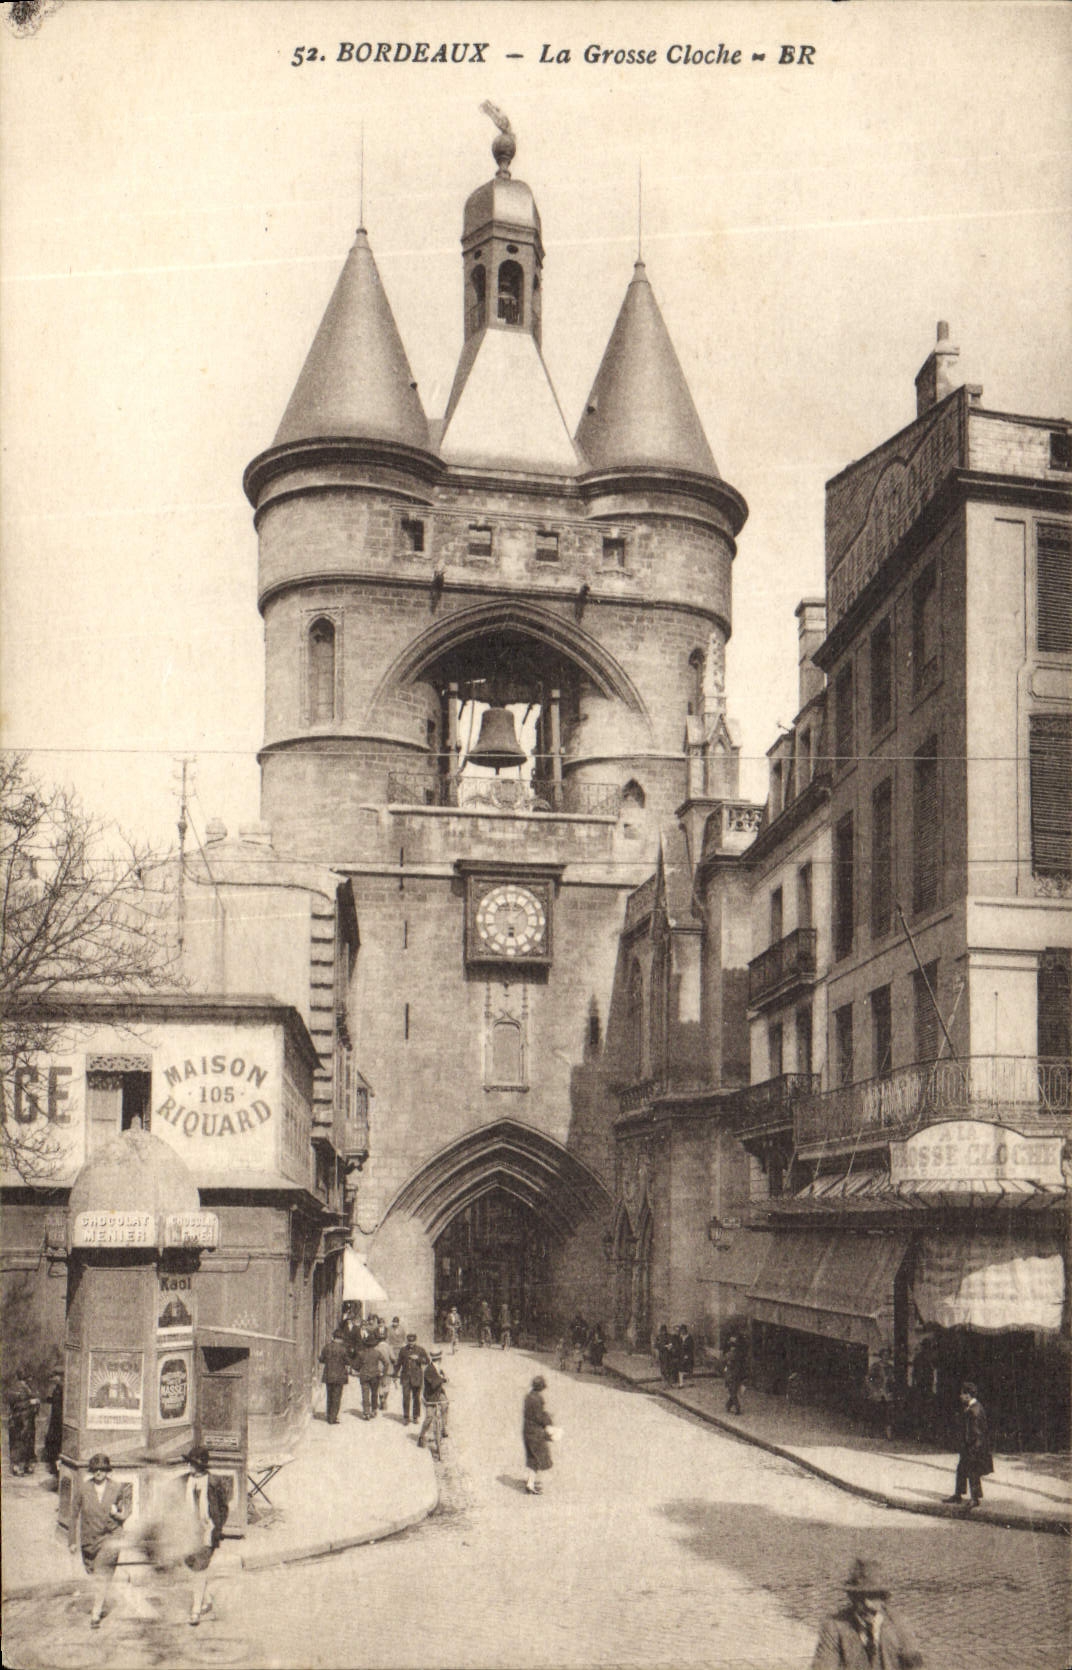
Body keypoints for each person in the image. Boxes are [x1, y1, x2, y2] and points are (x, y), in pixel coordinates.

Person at [811, 1556, 923, 1668]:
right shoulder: (834, 1626)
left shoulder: (900, 1625)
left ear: (883, 1598)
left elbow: (915, 1666)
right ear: (852, 1597)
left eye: (873, 1596)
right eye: (861, 1596)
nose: (867, 1604)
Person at [68, 1453, 132, 1628]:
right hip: (89, 1539)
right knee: (93, 1573)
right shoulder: (83, 1488)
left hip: (111, 1536)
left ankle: (96, 1613)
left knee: (102, 1574)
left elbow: (126, 1513)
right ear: (91, 1471)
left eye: (102, 1469)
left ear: (107, 1471)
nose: (99, 1472)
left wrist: (116, 1513)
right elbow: (73, 1514)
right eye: (95, 1469)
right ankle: (100, 1601)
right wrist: (72, 1540)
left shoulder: (117, 1488)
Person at [182, 1445, 230, 1627]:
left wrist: (216, 1527)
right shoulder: (184, 1481)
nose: (190, 1467)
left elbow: (224, 1507)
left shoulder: (213, 1482)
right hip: (188, 1532)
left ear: (201, 1466)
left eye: (193, 1464)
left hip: (207, 1533)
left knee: (199, 1570)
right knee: (191, 1565)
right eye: (189, 1463)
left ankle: (196, 1611)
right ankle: (207, 1599)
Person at [944, 1381, 993, 1509]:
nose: (960, 1396)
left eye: (962, 1393)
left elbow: (977, 1432)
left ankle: (975, 1499)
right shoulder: (972, 1407)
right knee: (961, 1469)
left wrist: (973, 1449)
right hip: (968, 1446)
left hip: (974, 1447)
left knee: (973, 1471)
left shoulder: (974, 1410)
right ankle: (958, 1494)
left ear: (968, 1395)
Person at [522, 1375, 554, 1496]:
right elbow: (539, 1416)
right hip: (535, 1432)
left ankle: (530, 1482)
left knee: (532, 1456)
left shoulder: (529, 1396)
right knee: (537, 1458)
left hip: (527, 1429)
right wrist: (549, 1421)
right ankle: (530, 1485)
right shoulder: (538, 1399)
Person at [7, 1367, 39, 1475]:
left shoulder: (24, 1387)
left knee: (25, 1443)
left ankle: (24, 1466)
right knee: (20, 1443)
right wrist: (31, 1402)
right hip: (20, 1421)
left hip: (26, 1420)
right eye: (28, 1377)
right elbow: (17, 1405)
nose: (30, 1379)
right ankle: (18, 1467)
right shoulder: (19, 1388)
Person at [394, 1333, 431, 1426]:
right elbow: (398, 1363)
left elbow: (427, 1361)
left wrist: (418, 1358)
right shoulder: (403, 1350)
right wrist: (394, 1374)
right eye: (409, 1342)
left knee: (416, 1397)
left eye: (413, 1341)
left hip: (417, 1377)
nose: (411, 1343)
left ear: (415, 1341)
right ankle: (406, 1417)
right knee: (406, 1397)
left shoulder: (420, 1350)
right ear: (407, 1341)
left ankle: (415, 1416)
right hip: (405, 1377)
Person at [416, 1353, 449, 1453]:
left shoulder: (438, 1368)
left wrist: (446, 1378)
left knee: (445, 1405)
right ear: (438, 1359)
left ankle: (443, 1427)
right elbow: (434, 1383)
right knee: (429, 1417)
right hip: (430, 1396)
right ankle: (421, 1436)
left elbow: (444, 1377)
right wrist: (442, 1379)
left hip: (439, 1394)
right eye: (437, 1360)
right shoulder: (428, 1370)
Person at [319, 1326, 350, 1425]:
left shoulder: (327, 1347)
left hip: (328, 1375)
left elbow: (321, 1359)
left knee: (329, 1396)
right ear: (341, 1339)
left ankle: (329, 1416)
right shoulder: (343, 1349)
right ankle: (333, 1417)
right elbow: (347, 1361)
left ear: (333, 1337)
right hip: (339, 1376)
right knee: (337, 1397)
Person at [355, 1332, 386, 1420]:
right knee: (374, 1394)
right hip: (375, 1376)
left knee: (365, 1394)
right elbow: (386, 1362)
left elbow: (356, 1366)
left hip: (364, 1375)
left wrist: (358, 1370)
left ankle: (366, 1412)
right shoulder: (377, 1353)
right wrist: (383, 1372)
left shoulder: (361, 1353)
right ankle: (374, 1410)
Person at [866, 1349, 895, 1441]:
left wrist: (891, 1381)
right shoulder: (875, 1366)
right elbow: (868, 1378)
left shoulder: (890, 1367)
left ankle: (888, 1435)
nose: (886, 1357)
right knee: (875, 1411)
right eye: (884, 1355)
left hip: (887, 1393)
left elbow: (893, 1380)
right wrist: (873, 1389)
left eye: (888, 1355)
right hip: (877, 1392)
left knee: (888, 1413)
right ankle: (871, 1432)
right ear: (881, 1356)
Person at [43, 1369, 64, 1478]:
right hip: (55, 1420)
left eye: (54, 1377)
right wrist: (49, 1399)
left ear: (59, 1377)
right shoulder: (57, 1388)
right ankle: (54, 1467)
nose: (53, 1379)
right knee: (52, 1443)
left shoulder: (62, 1388)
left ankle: (56, 1468)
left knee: (56, 1444)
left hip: (59, 1421)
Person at [724, 1335, 746, 1415]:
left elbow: (727, 1364)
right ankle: (728, 1405)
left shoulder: (729, 1355)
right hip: (737, 1375)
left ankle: (737, 1408)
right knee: (733, 1391)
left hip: (731, 1376)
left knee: (732, 1392)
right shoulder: (740, 1354)